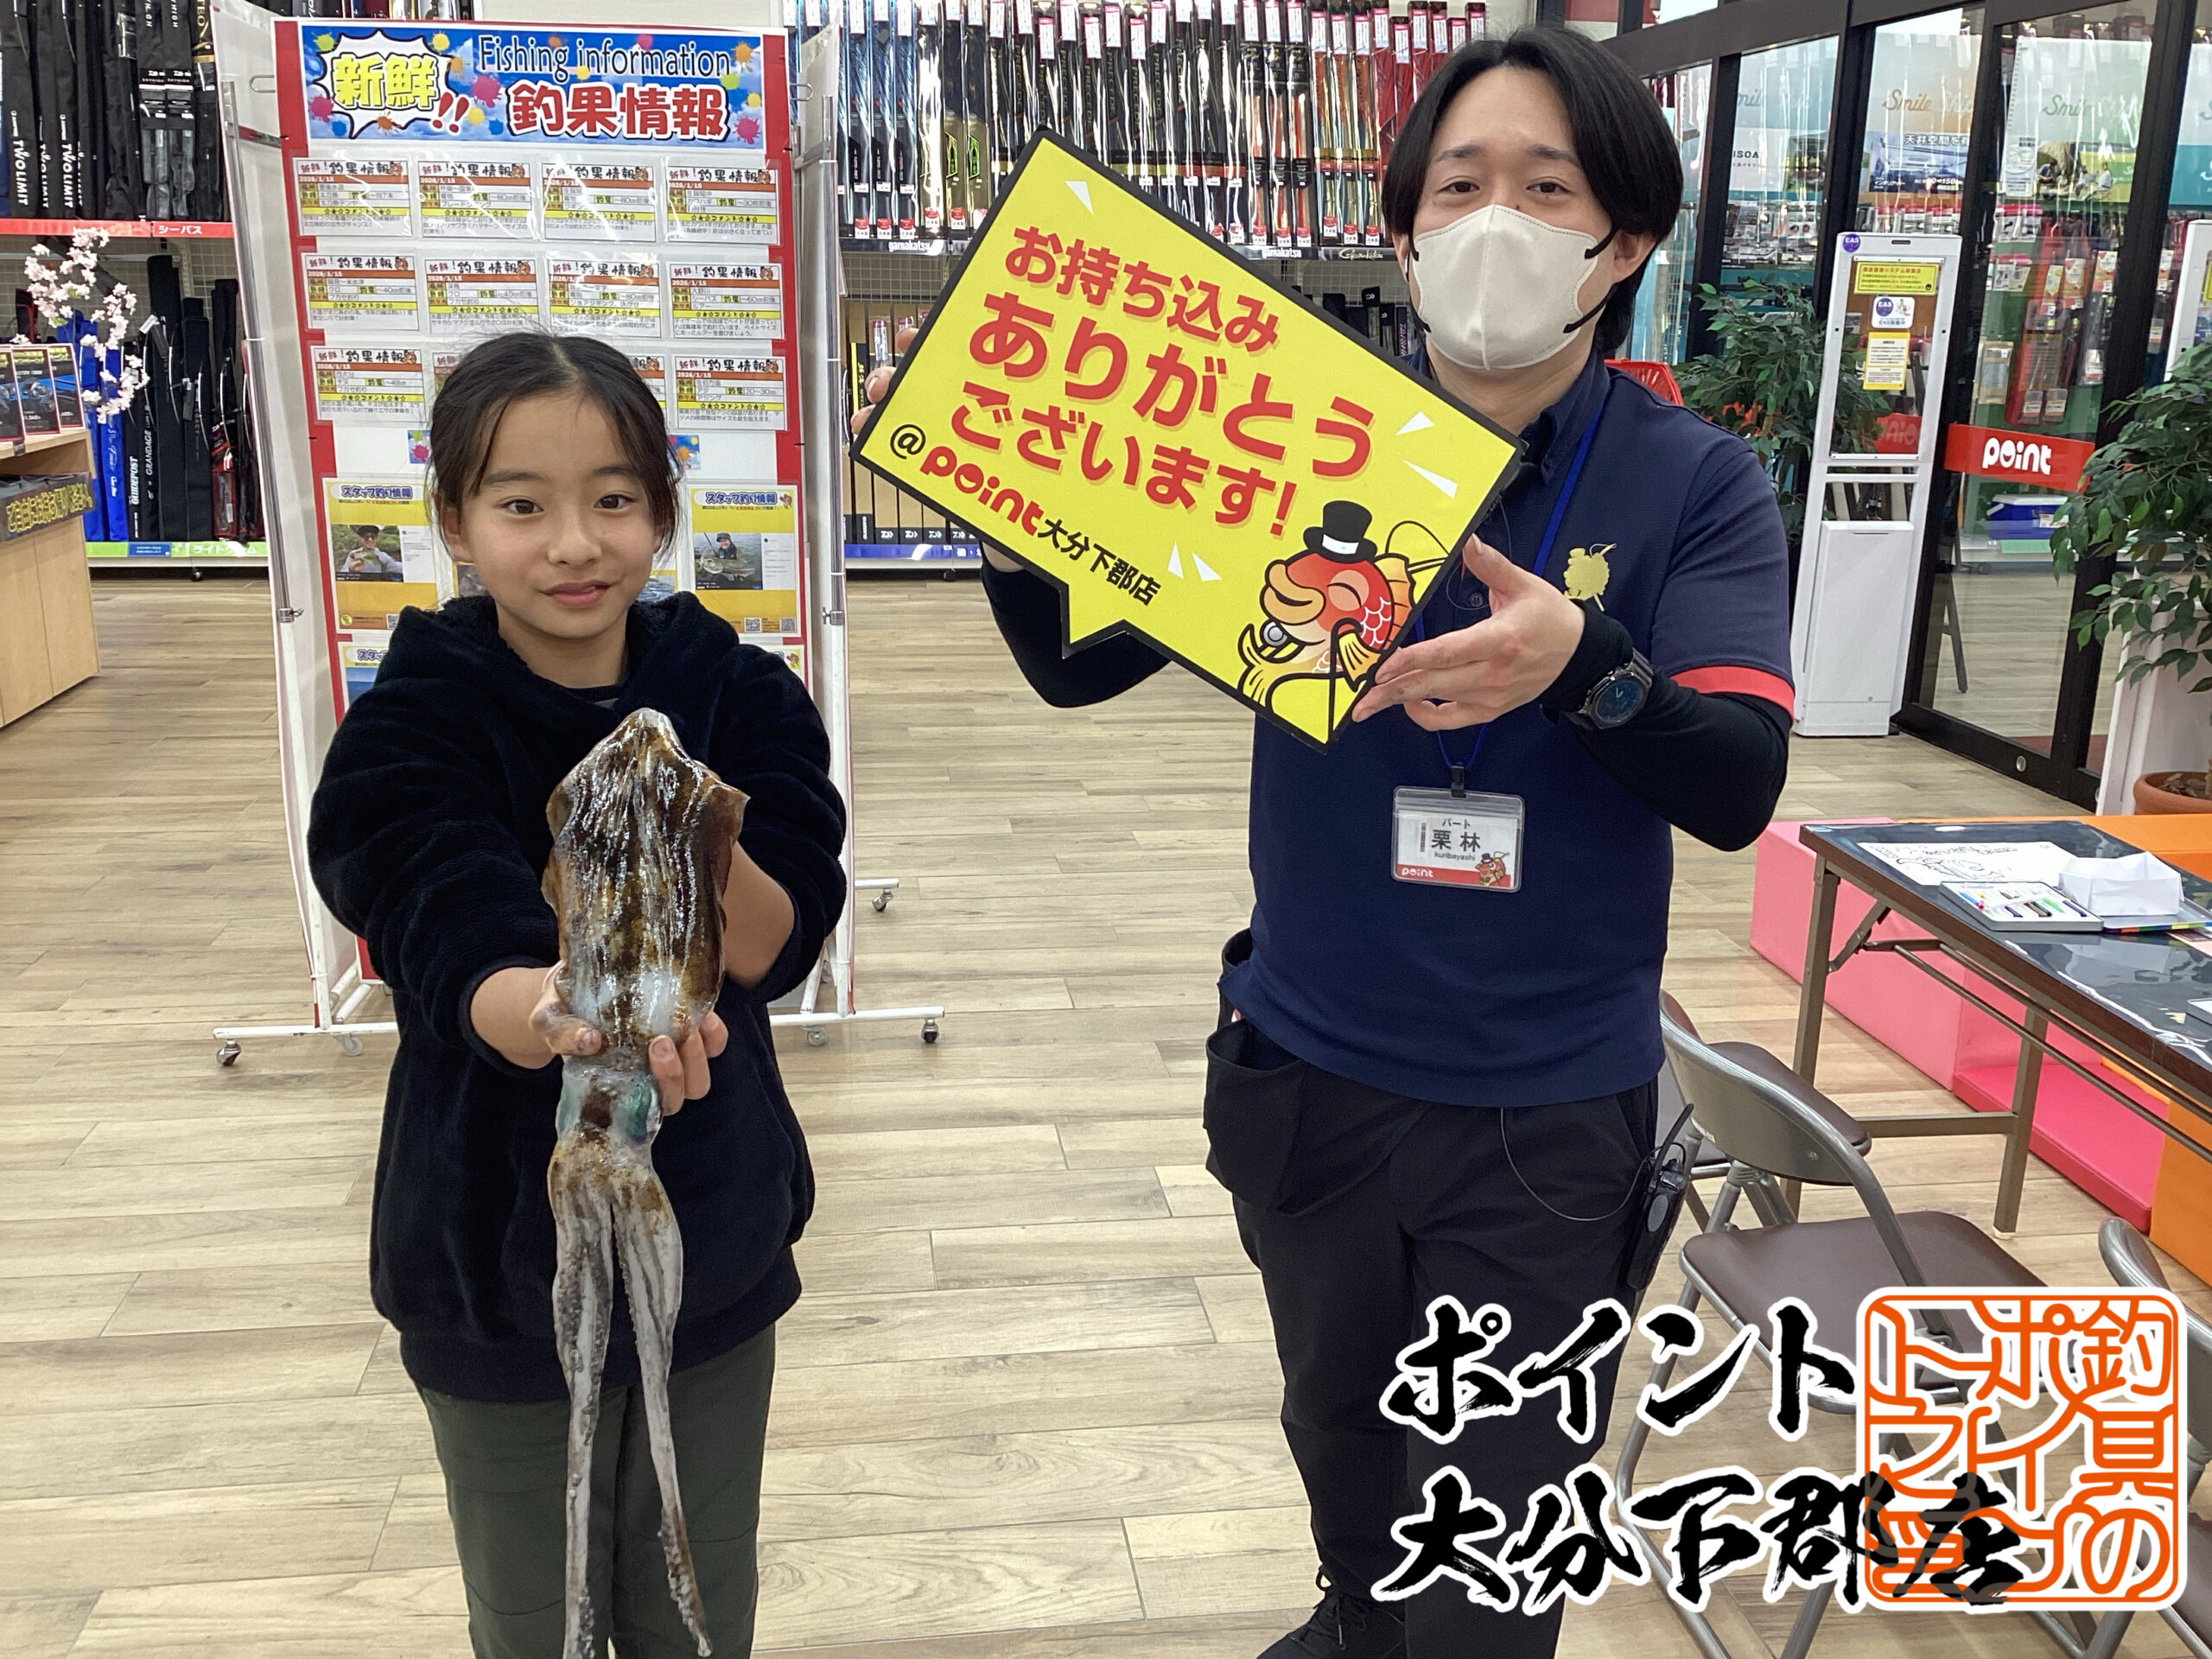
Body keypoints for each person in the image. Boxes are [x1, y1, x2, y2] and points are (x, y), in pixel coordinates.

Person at [857, 24, 1790, 1659]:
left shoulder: (1693, 482)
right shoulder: (1299, 434)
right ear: (1407, 228)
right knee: (1349, 1476)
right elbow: (1077, 670)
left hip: (1545, 1111)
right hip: (1308, 1072)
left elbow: (1736, 786)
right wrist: (1014, 518)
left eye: (1546, 189)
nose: (1493, 223)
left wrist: (1587, 668)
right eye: (1458, 186)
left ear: (1625, 240)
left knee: (1492, 1564)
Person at [308, 332, 847, 1659]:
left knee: (695, 1601)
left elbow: (784, 932)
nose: (573, 544)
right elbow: (432, 899)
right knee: (531, 1610)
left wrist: (692, 824)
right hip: (490, 1261)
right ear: (453, 523)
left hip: (708, 1235)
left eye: (613, 499)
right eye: (520, 504)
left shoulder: (734, 690)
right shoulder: (417, 713)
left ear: (662, 510)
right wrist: (544, 1004)